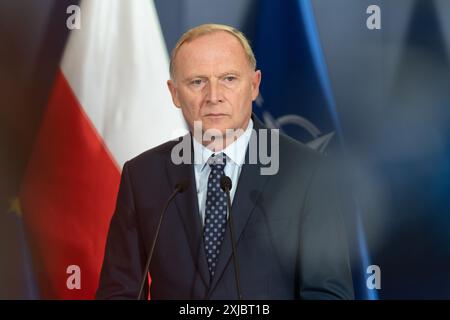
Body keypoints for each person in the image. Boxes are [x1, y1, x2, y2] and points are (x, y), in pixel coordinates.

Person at [96, 23, 354, 299]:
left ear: (254, 85)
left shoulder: (307, 172)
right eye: (197, 82)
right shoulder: (143, 175)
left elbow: (329, 293)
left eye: (229, 79)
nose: (214, 96)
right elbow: (118, 291)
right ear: (174, 93)